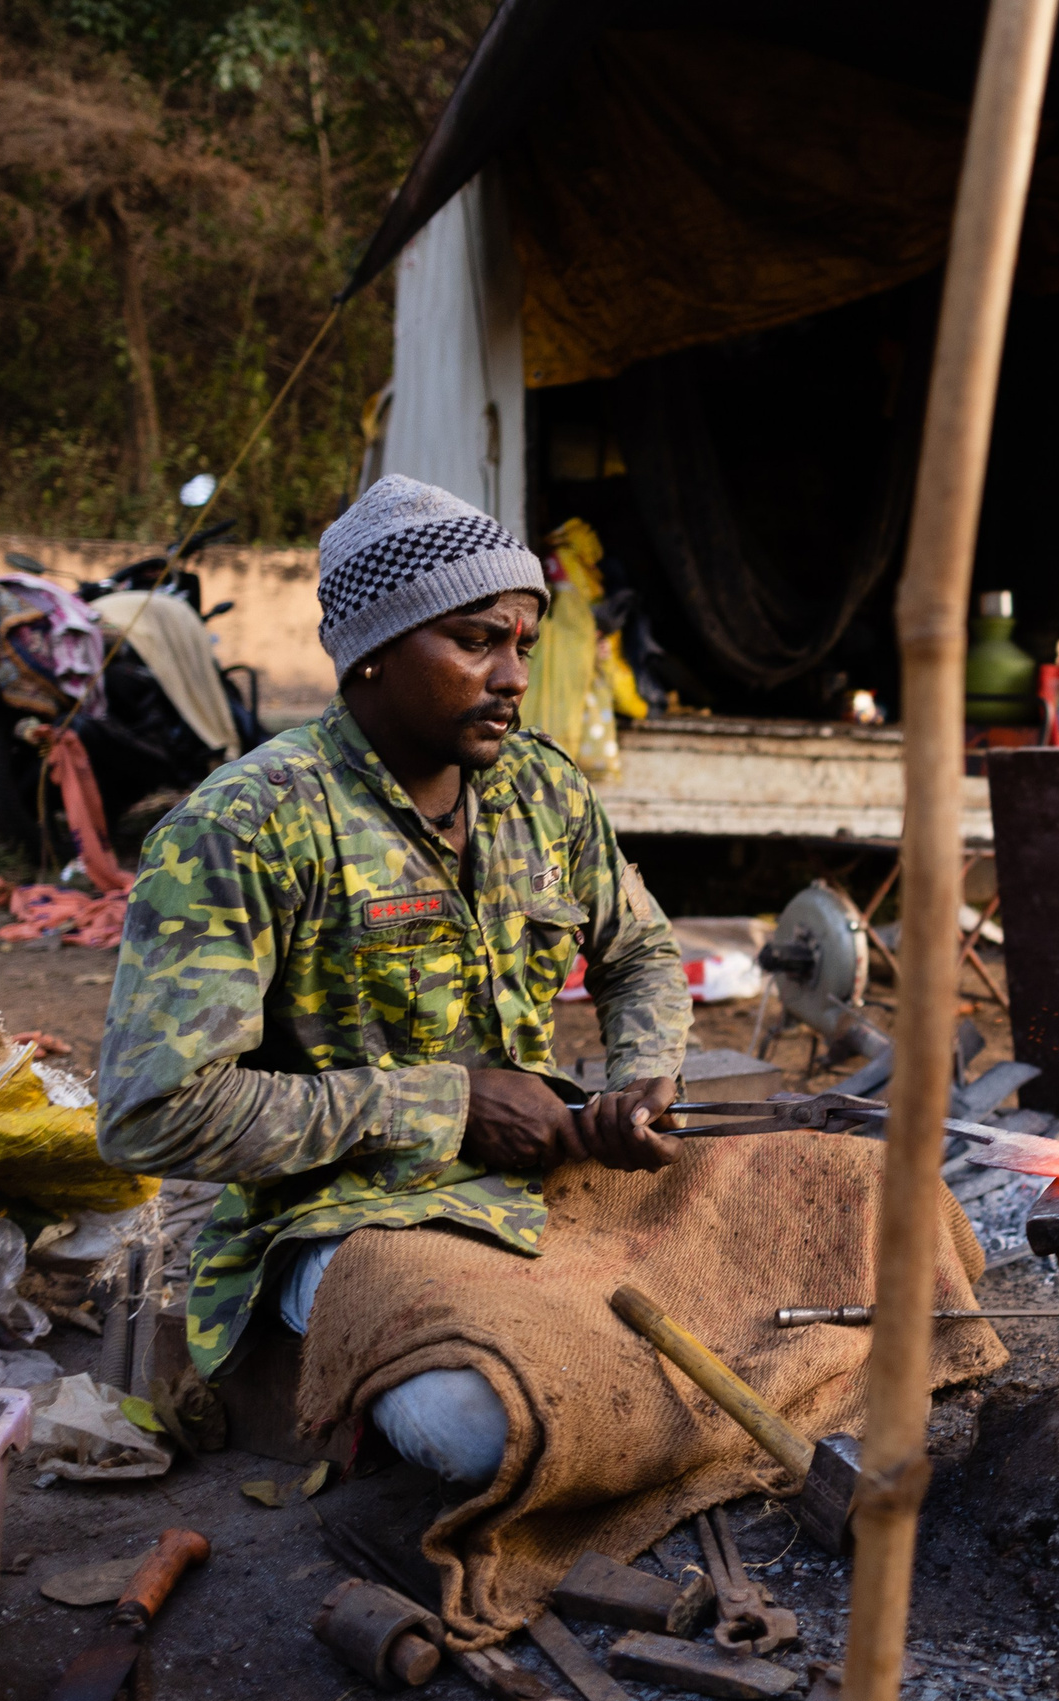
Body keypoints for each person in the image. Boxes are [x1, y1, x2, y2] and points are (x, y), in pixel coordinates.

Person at [96, 475, 690, 1485]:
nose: (511, 677)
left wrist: (638, 1080)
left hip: (545, 1188)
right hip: (345, 1220)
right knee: (485, 1422)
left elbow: (641, 953)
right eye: (474, 643)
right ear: (371, 649)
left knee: (847, 1226)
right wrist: (443, 1105)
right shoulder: (245, 826)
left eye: (522, 647)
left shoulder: (542, 789)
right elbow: (151, 1111)